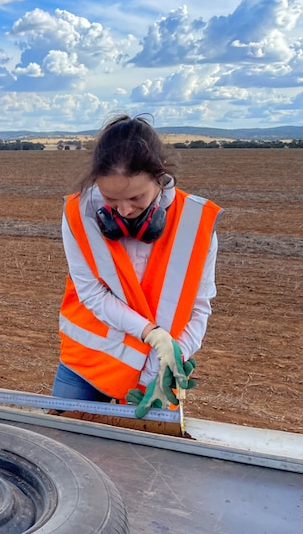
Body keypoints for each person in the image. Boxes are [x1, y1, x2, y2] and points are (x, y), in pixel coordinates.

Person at [52, 113, 223, 417]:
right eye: (111, 199)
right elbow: (91, 294)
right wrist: (152, 334)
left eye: (135, 197)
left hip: (154, 376)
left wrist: (172, 357)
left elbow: (199, 308)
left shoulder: (196, 224)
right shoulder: (79, 215)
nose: (124, 210)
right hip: (85, 366)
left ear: (160, 178)